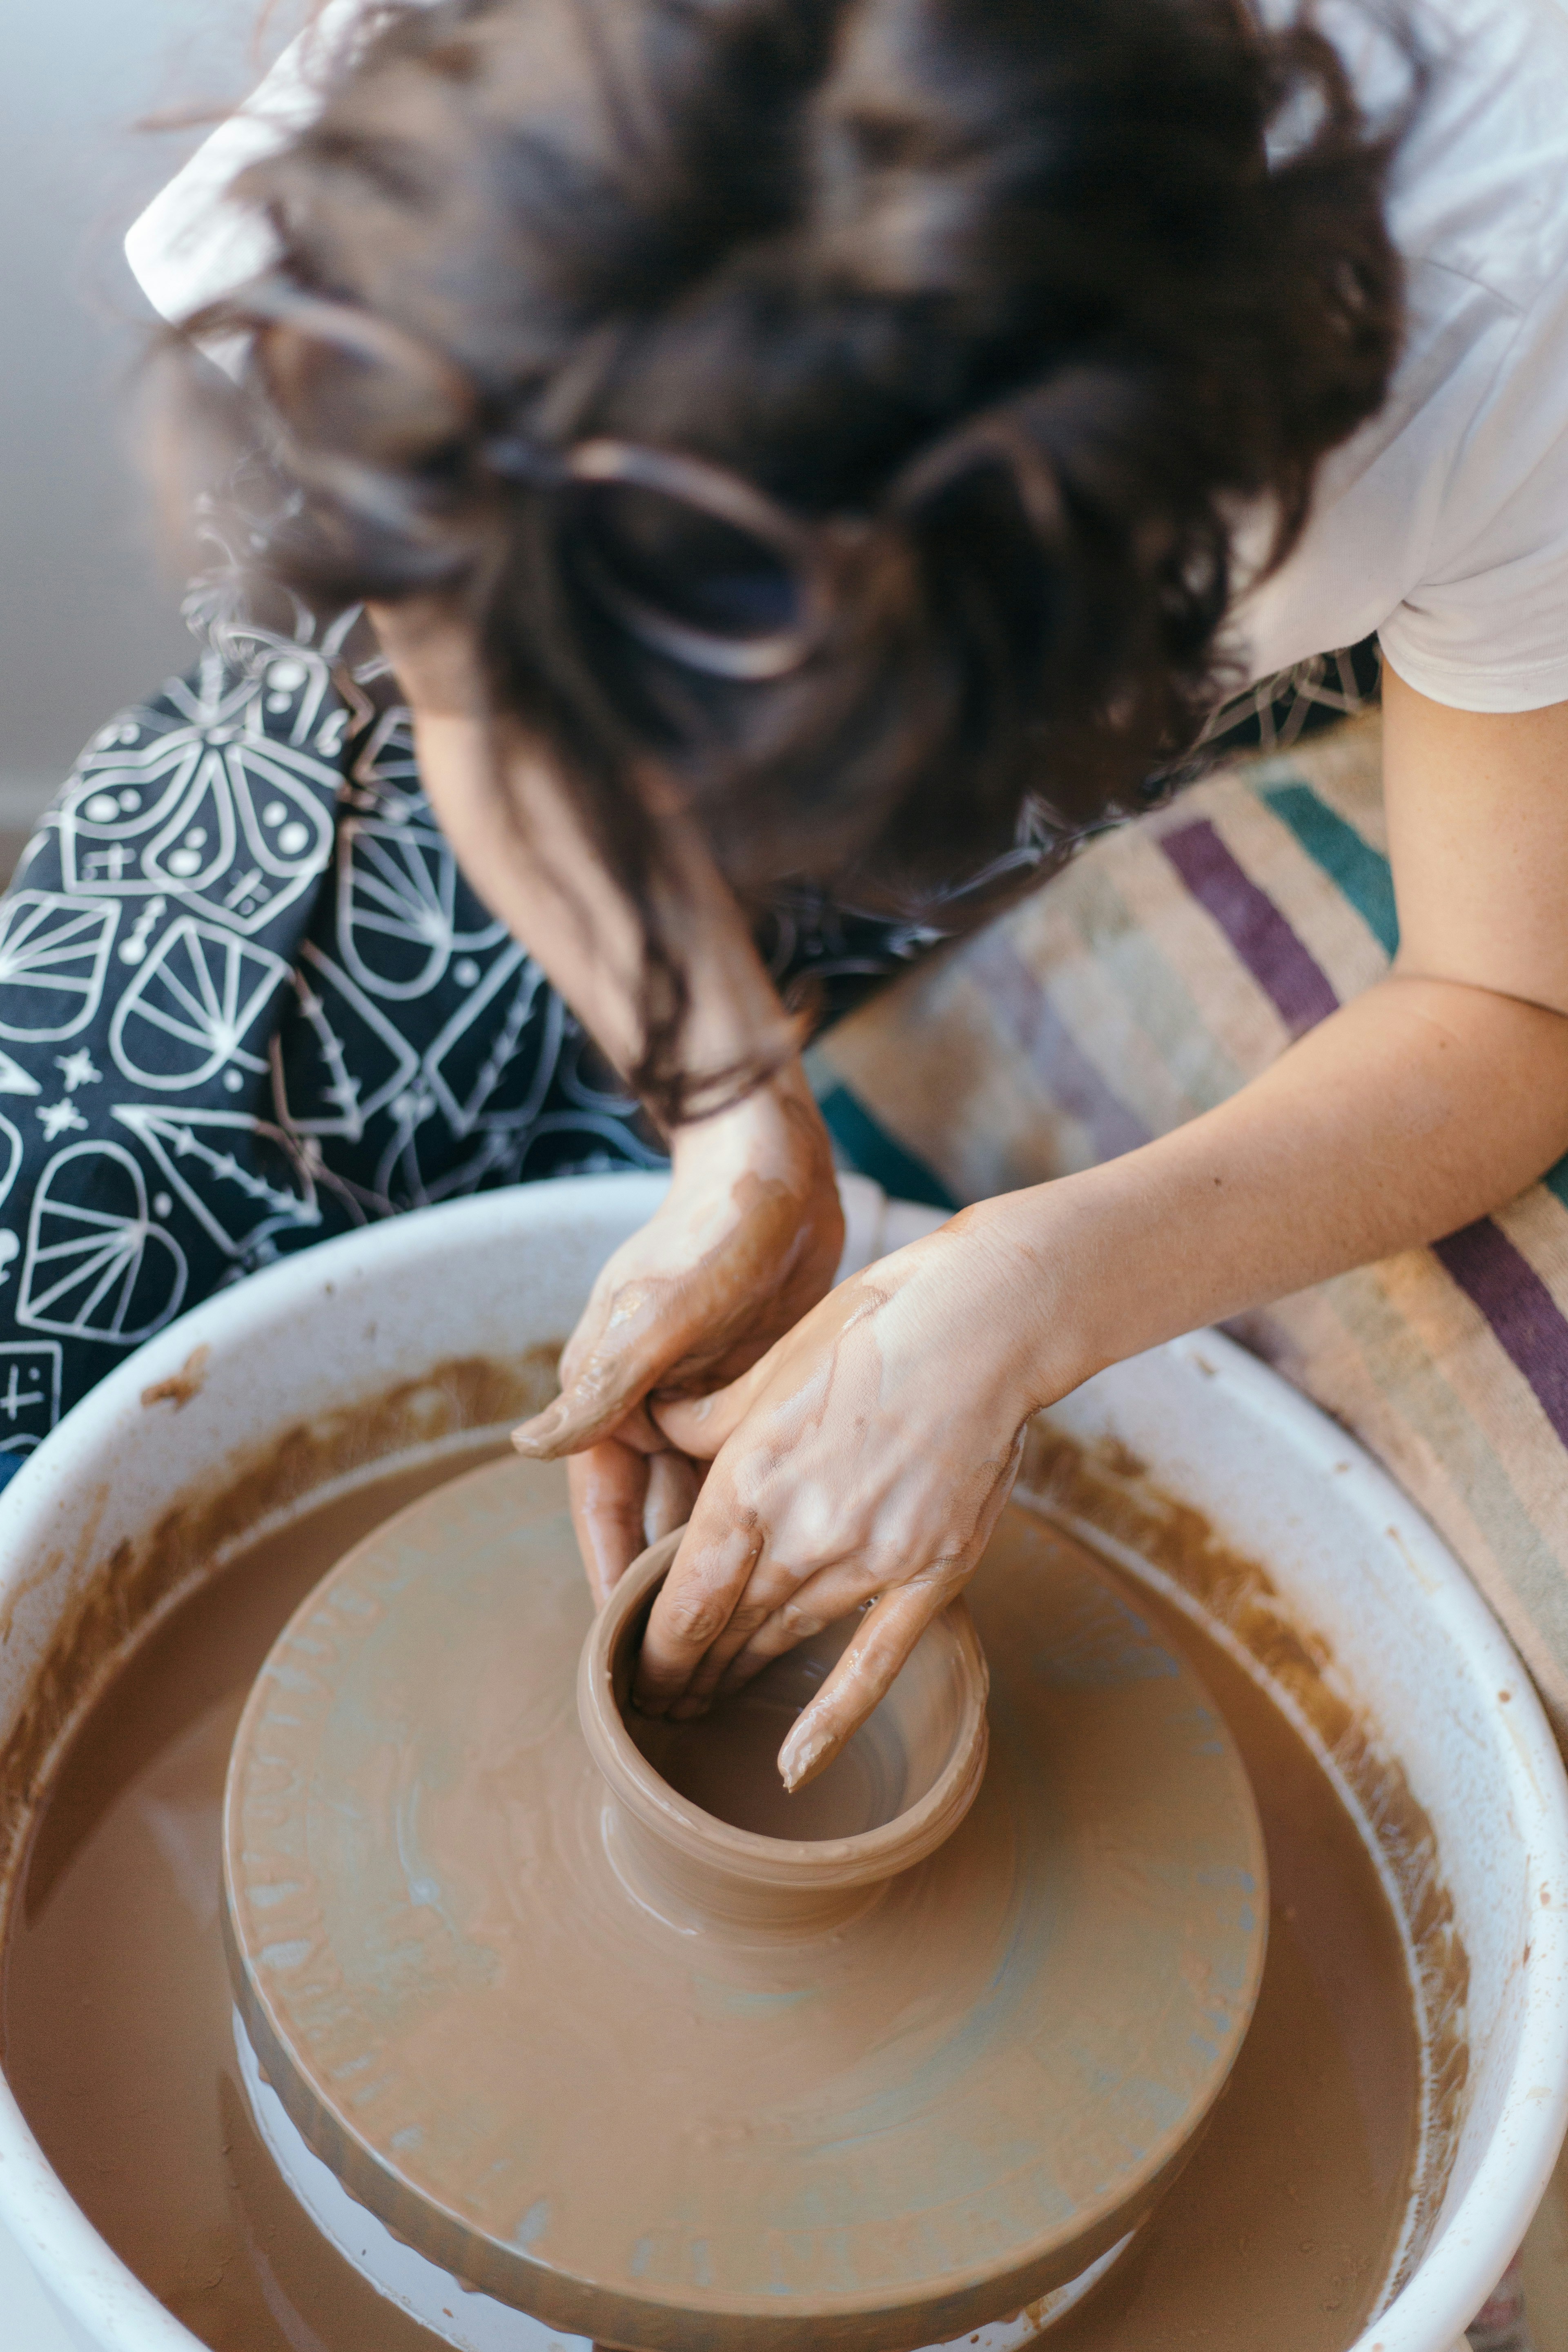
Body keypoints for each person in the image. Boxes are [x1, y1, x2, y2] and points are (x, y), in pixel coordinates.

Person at [5, 0, 1567, 1799]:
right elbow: (463, 692)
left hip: (1101, 609)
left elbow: (1510, 1003)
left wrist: (1017, 1296)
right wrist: (730, 1117)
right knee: (75, 1178)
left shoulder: (1506, 266)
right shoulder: (488, 124)